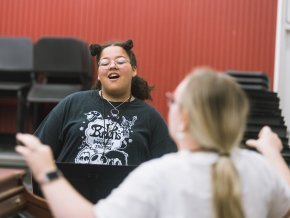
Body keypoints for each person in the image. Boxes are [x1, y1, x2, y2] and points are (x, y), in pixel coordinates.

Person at [16, 67, 290, 218]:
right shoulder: (258, 170)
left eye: (173, 101)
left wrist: (46, 172)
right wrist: (272, 153)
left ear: (183, 119)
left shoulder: (160, 176)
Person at [33, 39, 176, 165]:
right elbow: (38, 148)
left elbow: (167, 165)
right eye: (105, 63)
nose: (112, 66)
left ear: (134, 70)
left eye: (120, 61)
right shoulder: (72, 103)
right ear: (99, 75)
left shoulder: (150, 116)